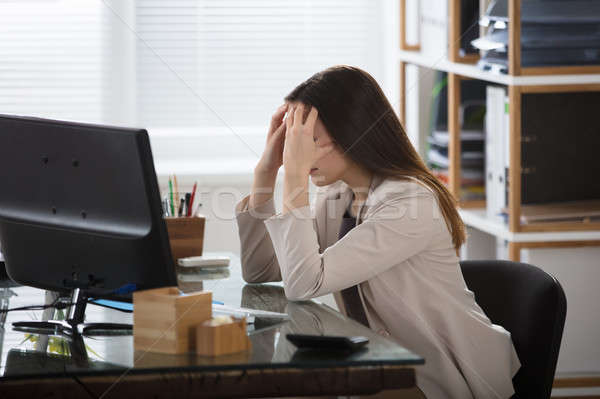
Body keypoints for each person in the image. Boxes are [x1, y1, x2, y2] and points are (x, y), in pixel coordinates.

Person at [235, 65, 520, 399]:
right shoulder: (337, 197)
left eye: (309, 141)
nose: (296, 153)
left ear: (352, 134)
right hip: (386, 368)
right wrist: (266, 171)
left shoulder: (408, 202)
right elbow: (260, 271)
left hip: (445, 377)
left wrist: (295, 177)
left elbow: (303, 284)